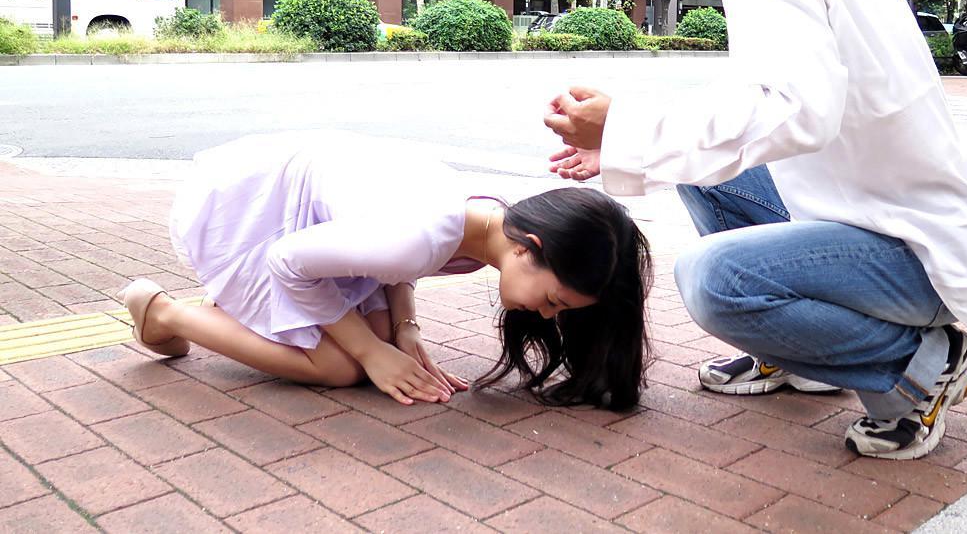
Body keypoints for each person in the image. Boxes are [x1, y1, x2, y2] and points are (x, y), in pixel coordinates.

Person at [545, 0, 967, 461]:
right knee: (699, 172)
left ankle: (918, 369)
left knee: (713, 280)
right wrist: (634, 145)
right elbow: (774, 108)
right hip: (880, 214)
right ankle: (795, 356)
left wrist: (627, 129)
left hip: (909, 256)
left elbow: (796, 113)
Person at [120, 131, 652, 410]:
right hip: (245, 215)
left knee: (375, 345)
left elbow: (396, 264)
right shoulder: (420, 238)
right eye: (554, 300)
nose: (544, 313)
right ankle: (165, 315)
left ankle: (238, 315)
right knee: (342, 368)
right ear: (530, 249)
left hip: (297, 209)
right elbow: (288, 263)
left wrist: (403, 328)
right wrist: (372, 353)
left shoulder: (490, 218)